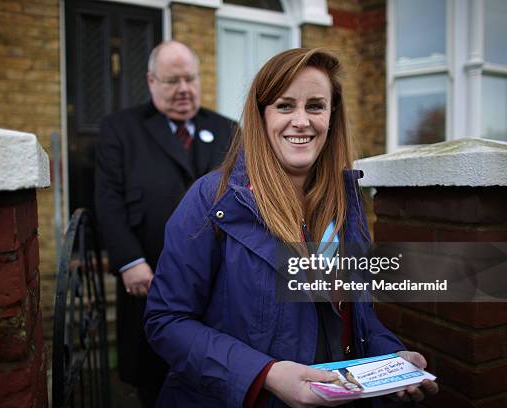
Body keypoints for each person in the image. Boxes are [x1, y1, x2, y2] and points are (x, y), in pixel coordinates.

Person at [144, 48, 439, 407]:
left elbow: (354, 317)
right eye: (285, 106)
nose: (301, 120)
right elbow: (166, 321)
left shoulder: (345, 204)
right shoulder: (211, 201)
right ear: (262, 116)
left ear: (332, 117)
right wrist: (264, 374)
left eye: (315, 106)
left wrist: (391, 359)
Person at [95, 40, 236, 407]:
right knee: (154, 377)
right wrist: (128, 261)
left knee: (217, 370)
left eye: (190, 79)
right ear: (151, 81)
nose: (184, 90)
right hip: (149, 275)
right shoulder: (120, 130)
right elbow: (107, 201)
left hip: (221, 280)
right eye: (172, 81)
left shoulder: (228, 129)